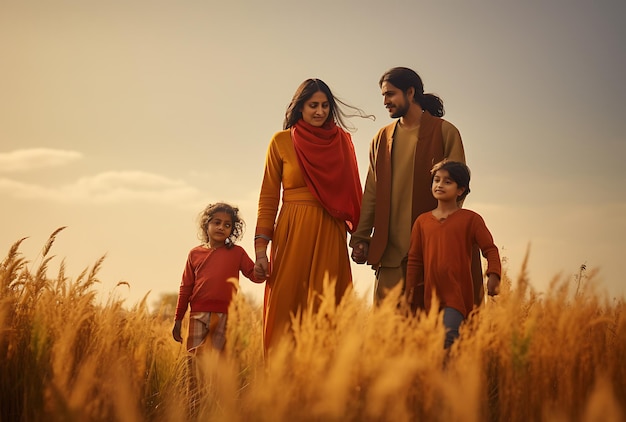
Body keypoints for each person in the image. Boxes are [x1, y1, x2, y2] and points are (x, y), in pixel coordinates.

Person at [254, 78, 373, 352]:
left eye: (325, 106)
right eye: (313, 106)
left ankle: (327, 383)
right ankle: (281, 383)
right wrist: (261, 249)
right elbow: (268, 198)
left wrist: (360, 237)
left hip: (330, 231)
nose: (319, 112)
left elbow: (354, 191)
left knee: (328, 306)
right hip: (291, 232)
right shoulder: (281, 142)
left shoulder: (342, 141)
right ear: (300, 108)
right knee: (285, 306)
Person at [350, 66, 484, 307]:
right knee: (387, 335)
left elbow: (457, 190)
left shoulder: (445, 132)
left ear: (410, 92)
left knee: (435, 334)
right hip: (390, 255)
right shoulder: (381, 139)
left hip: (434, 254)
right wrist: (361, 237)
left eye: (390, 94)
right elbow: (371, 191)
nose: (385, 101)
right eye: (383, 95)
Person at [405, 160, 501, 348]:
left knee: (448, 338)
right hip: (429, 297)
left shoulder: (471, 219)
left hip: (456, 295)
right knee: (431, 346)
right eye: (436, 180)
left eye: (448, 182)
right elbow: (415, 260)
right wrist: (410, 294)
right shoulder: (422, 222)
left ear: (461, 190)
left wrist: (494, 274)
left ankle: (448, 376)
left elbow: (490, 249)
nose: (440, 185)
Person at [172, 202, 264, 353]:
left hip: (226, 316)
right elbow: (185, 288)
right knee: (194, 359)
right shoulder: (194, 254)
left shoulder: (237, 253)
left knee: (219, 362)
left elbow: (254, 276)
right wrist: (178, 318)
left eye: (227, 225)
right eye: (217, 222)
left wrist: (263, 268)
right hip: (198, 314)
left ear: (232, 230)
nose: (221, 227)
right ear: (206, 225)